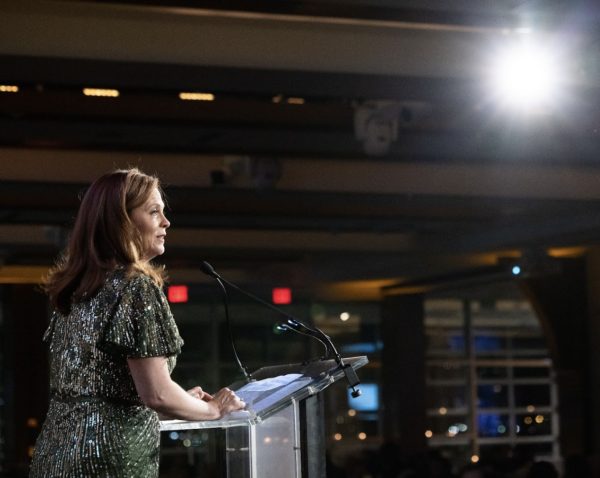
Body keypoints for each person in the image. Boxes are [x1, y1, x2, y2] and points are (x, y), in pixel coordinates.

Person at [29, 168, 245, 477]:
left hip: (55, 455)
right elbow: (156, 395)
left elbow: (107, 387)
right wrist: (214, 409)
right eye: (154, 211)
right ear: (123, 222)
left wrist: (182, 400)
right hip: (109, 460)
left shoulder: (77, 290)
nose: (166, 222)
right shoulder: (136, 286)